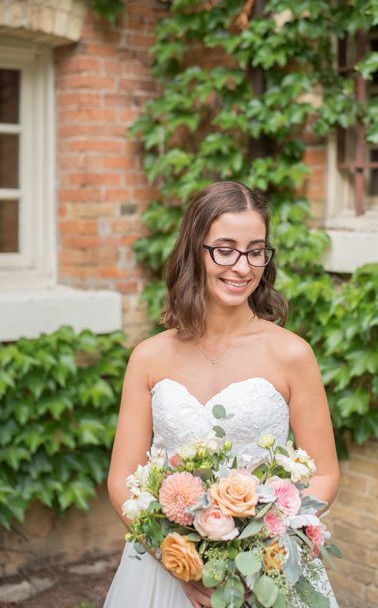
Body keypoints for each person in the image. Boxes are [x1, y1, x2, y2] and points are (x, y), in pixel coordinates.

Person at [104, 181, 340, 608]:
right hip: (163, 572)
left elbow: (324, 474)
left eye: (255, 250)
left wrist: (259, 549)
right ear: (196, 250)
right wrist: (179, 560)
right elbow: (121, 479)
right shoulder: (148, 357)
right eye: (225, 249)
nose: (243, 266)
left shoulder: (291, 354)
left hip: (264, 568)